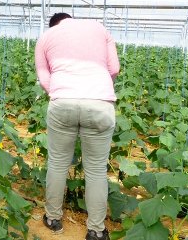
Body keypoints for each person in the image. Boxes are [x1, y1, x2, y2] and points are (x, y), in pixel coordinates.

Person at [35, 13, 119, 240]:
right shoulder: (99, 28)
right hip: (100, 103)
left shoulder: (46, 37)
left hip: (63, 102)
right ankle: (96, 231)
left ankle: (53, 219)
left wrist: (63, 92)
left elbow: (44, 78)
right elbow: (114, 69)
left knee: (58, 163)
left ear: (54, 24)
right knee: (96, 170)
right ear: (71, 19)